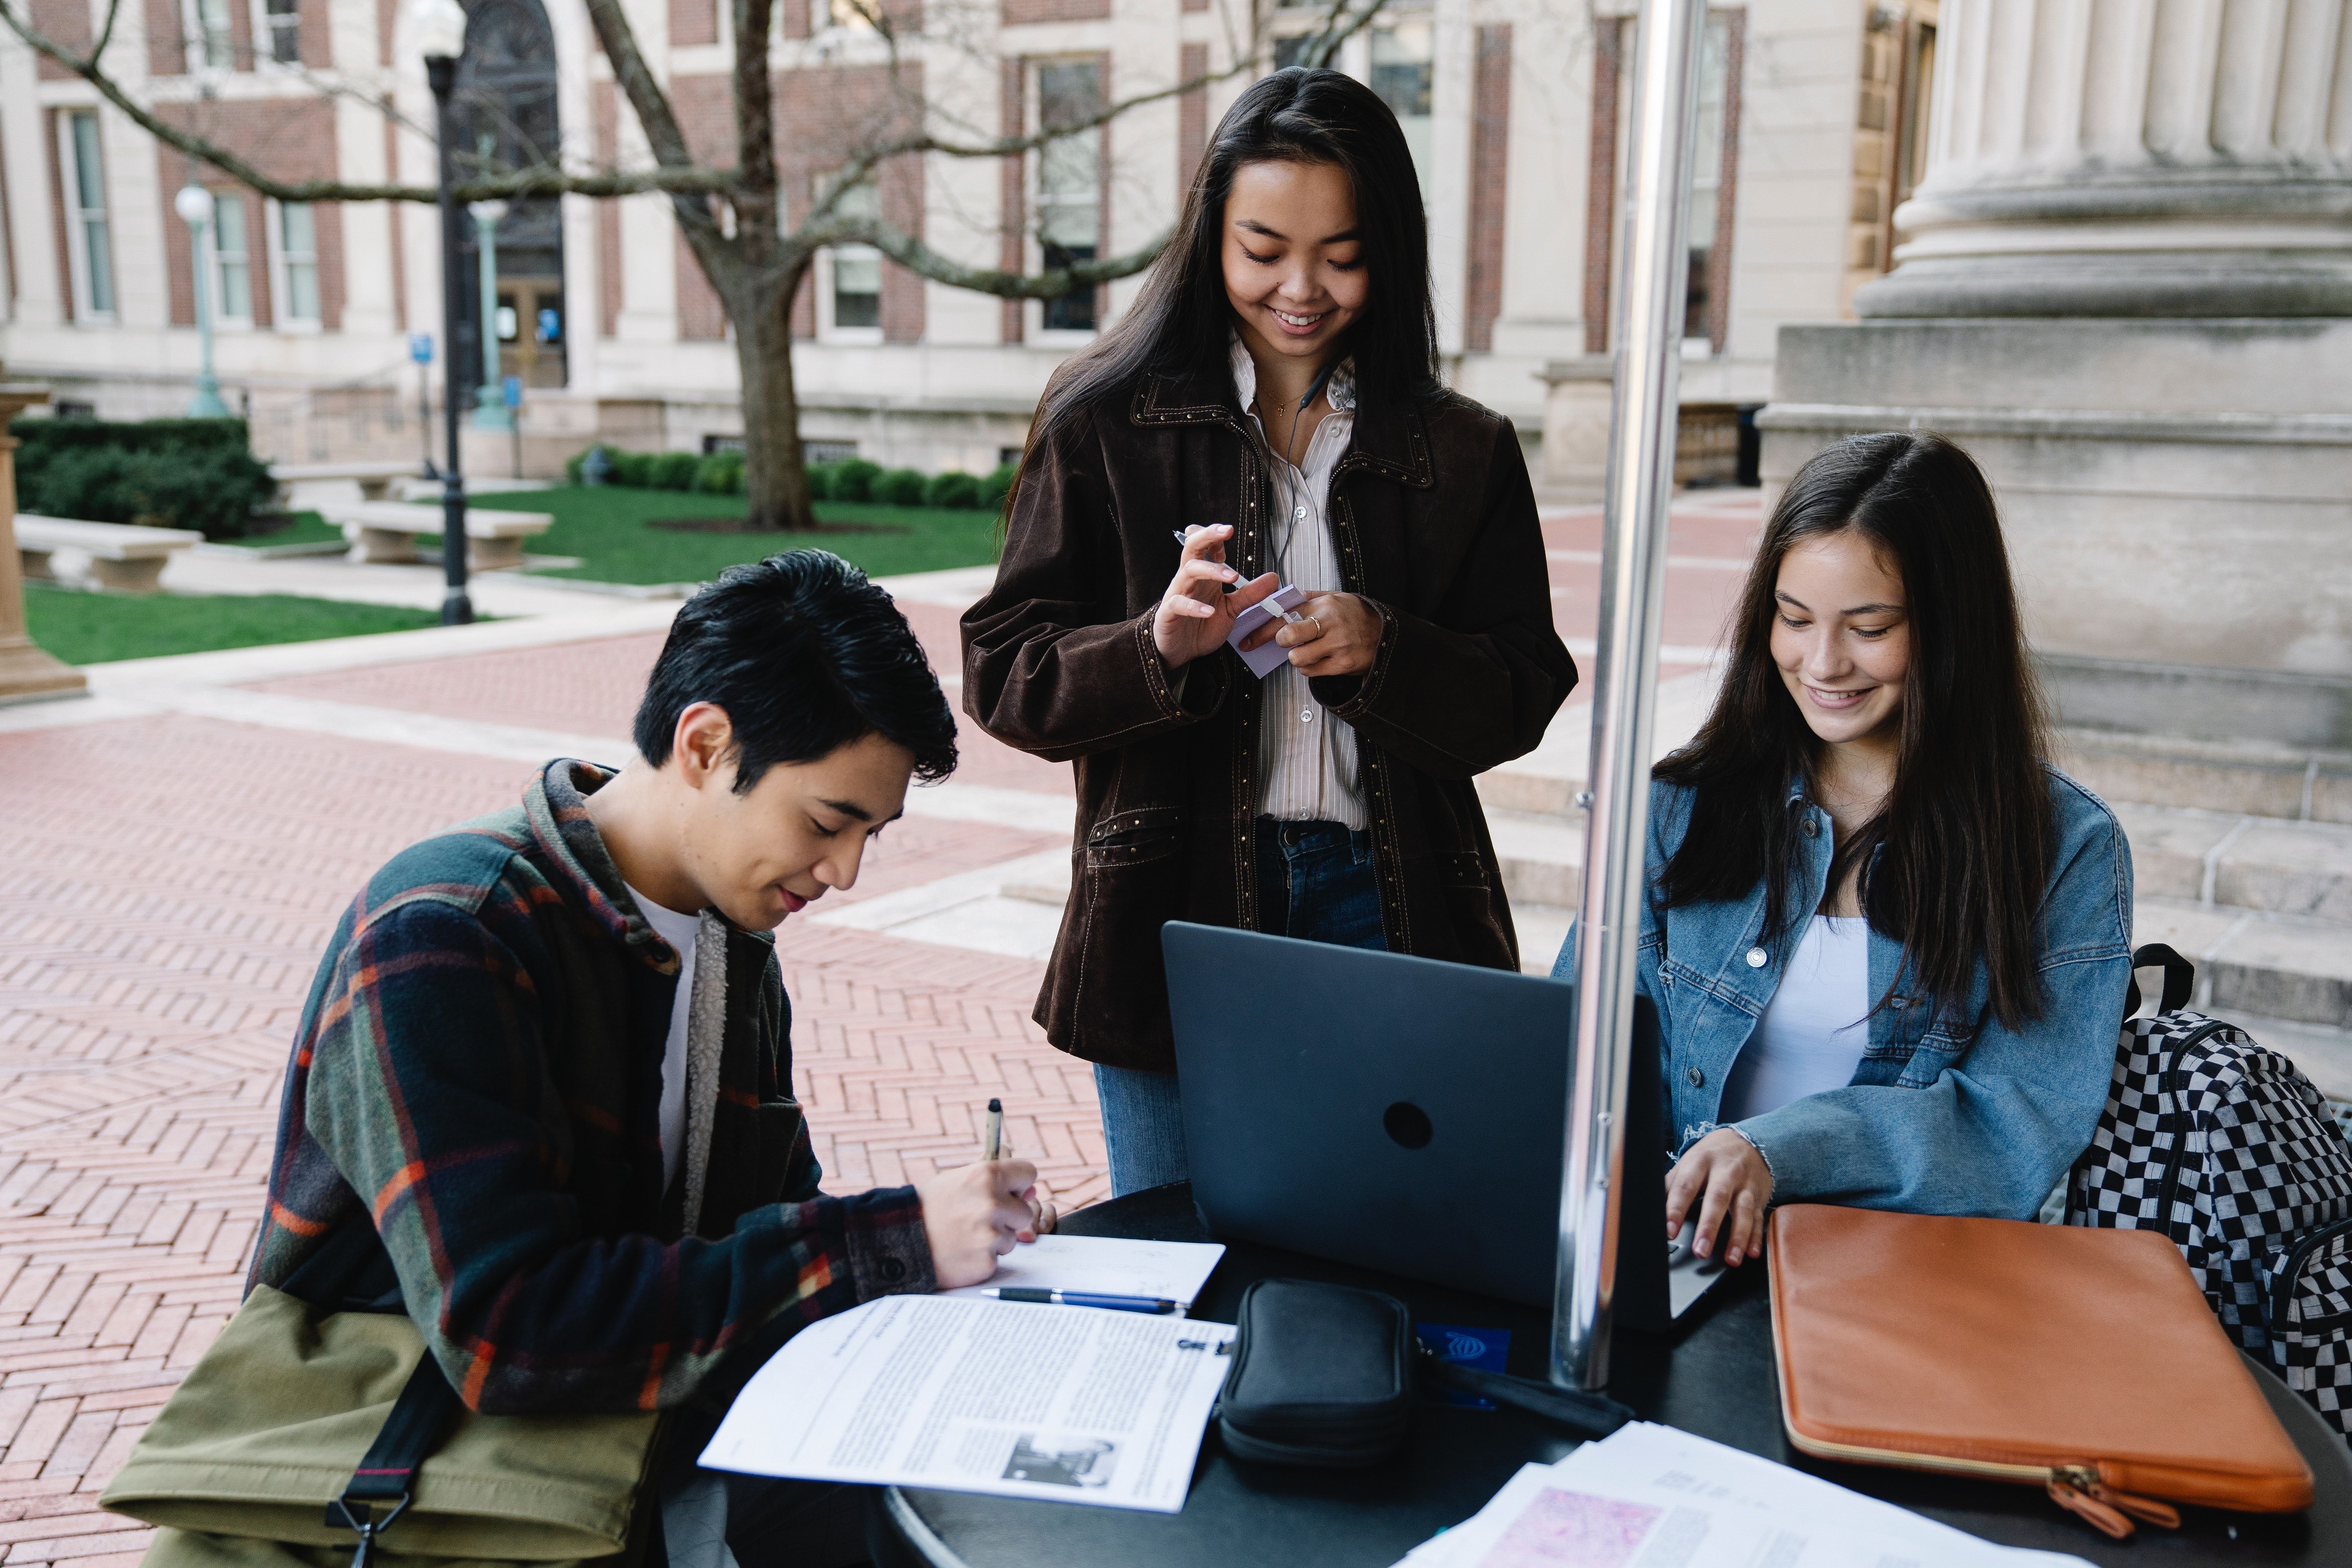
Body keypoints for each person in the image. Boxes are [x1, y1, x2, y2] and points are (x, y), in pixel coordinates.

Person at [249, 552, 1053, 1568]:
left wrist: (947, 1243)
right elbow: (507, 1329)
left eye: (872, 837)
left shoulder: (732, 945)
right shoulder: (449, 933)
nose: (845, 873)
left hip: (625, 1468)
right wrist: (885, 1240)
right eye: (825, 823)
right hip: (408, 1497)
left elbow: (755, 1231)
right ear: (707, 745)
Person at [963, 67, 1576, 1197]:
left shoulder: (1465, 447)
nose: (1302, 288)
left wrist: (1386, 650)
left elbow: (1524, 686)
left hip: (1393, 902)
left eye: (1342, 254)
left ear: (1392, 245)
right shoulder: (1104, 415)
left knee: (1394, 1240)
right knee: (1183, 1256)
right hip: (1173, 907)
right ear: (1211, 237)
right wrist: (1159, 648)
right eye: (1263, 249)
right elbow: (1006, 670)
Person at [1559, 433, 2132, 1271]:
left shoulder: (2064, 848)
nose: (1822, 663)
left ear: (1953, 625)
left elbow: (2015, 1121)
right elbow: (1583, 1040)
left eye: (1869, 627)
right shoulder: (1676, 806)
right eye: (1793, 619)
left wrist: (1781, 1150)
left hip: (1904, 1277)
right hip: (1674, 1256)